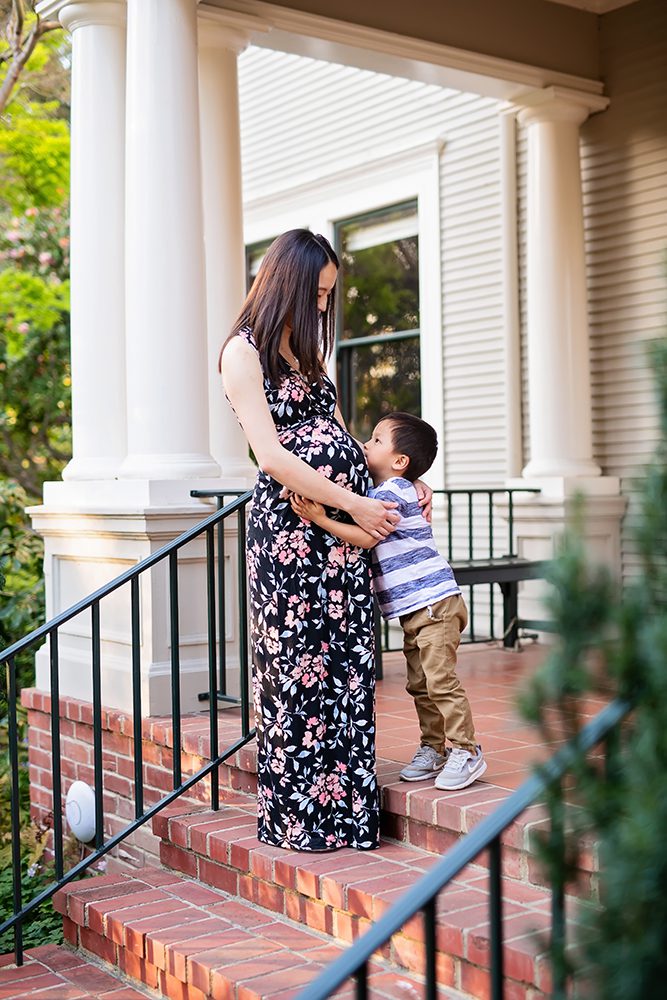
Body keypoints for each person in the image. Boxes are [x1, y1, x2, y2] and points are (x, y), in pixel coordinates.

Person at [220, 230, 432, 852]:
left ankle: (348, 818)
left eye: (327, 297)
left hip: (341, 541)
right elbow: (274, 459)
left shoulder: (309, 358)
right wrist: (356, 503)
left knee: (346, 675)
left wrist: (407, 488)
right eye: (316, 294)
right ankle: (303, 823)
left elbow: (348, 448)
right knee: (297, 678)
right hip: (291, 540)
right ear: (286, 282)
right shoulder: (244, 353)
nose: (321, 307)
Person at [291, 411, 487, 792]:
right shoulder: (393, 487)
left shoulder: (390, 494)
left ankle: (467, 750)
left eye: (378, 440)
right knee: (420, 683)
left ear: (400, 462)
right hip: (419, 608)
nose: (367, 443)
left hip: (433, 603)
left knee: (440, 681)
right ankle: (433, 749)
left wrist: (319, 514)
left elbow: (366, 536)